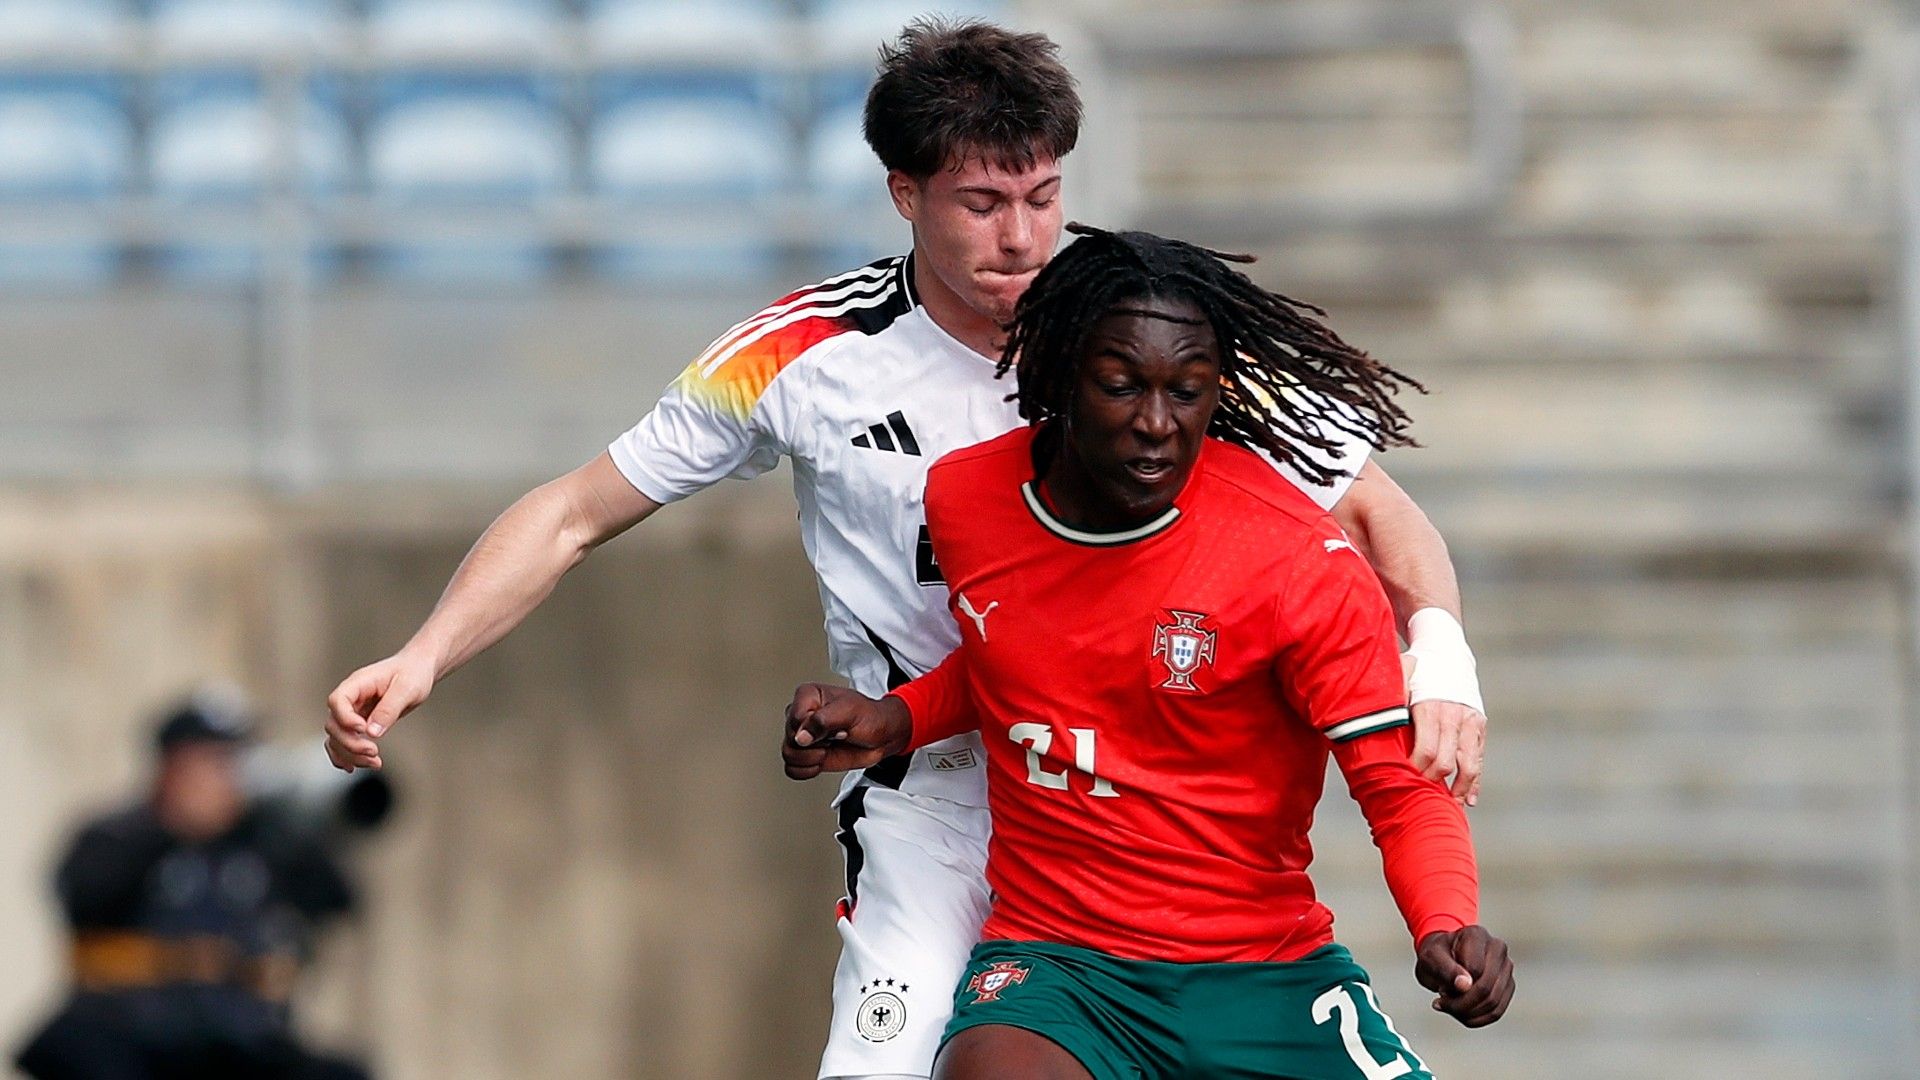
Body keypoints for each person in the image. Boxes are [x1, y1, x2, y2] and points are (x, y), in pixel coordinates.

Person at [322, 20, 1488, 1079]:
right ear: (904, 193)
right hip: (933, 794)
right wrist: (424, 656)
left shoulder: (1144, 327)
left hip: (1143, 803)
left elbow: (1381, 515)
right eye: (983, 202)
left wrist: (1441, 661)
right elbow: (577, 511)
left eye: (1043, 194)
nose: (1023, 234)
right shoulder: (801, 355)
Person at [782, 225, 1514, 1079]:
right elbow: (1016, 655)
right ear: (1054, 374)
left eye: (1188, 392)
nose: (1157, 425)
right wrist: (898, 715)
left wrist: (1445, 924)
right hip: (1060, 971)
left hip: (1262, 977)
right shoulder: (969, 497)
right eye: (1122, 387)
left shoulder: (1295, 563)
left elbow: (1397, 788)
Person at [16, 689, 370, 1080]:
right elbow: (81, 895)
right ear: (171, 766)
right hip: (133, 1034)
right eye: (214, 761)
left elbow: (337, 901)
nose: (230, 775)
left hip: (235, 1039)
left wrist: (309, 822)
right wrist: (174, 824)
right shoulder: (118, 834)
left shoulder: (263, 843)